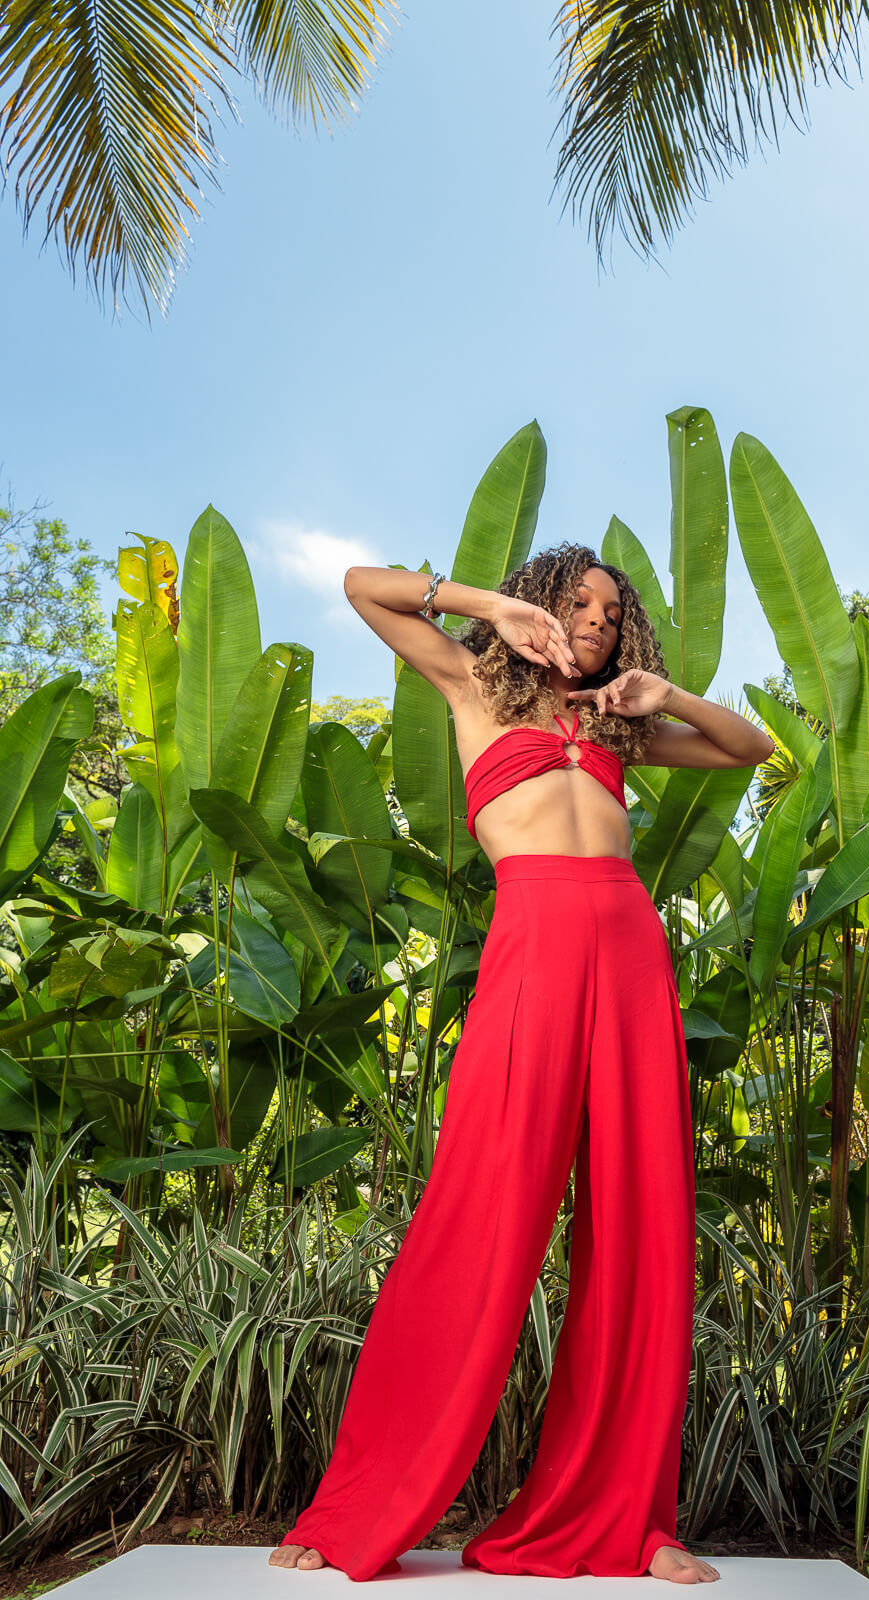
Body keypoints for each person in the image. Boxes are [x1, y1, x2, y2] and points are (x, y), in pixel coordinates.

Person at [268, 543, 775, 1583]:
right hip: (534, 945)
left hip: (629, 953)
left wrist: (661, 689)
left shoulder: (617, 725)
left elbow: (748, 747)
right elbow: (363, 587)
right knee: (479, 1208)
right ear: (544, 603)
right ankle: (363, 1506)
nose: (594, 618)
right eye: (578, 601)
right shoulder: (471, 684)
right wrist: (490, 607)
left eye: (609, 608)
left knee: (641, 1221)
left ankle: (635, 1521)